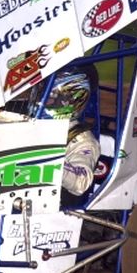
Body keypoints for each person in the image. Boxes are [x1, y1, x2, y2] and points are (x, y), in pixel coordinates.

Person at [30, 65, 100, 196]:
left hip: (51, 207)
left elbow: (81, 181)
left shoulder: (82, 140)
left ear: (67, 101)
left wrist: (47, 160)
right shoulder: (33, 123)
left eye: (48, 97)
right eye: (39, 94)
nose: (40, 101)